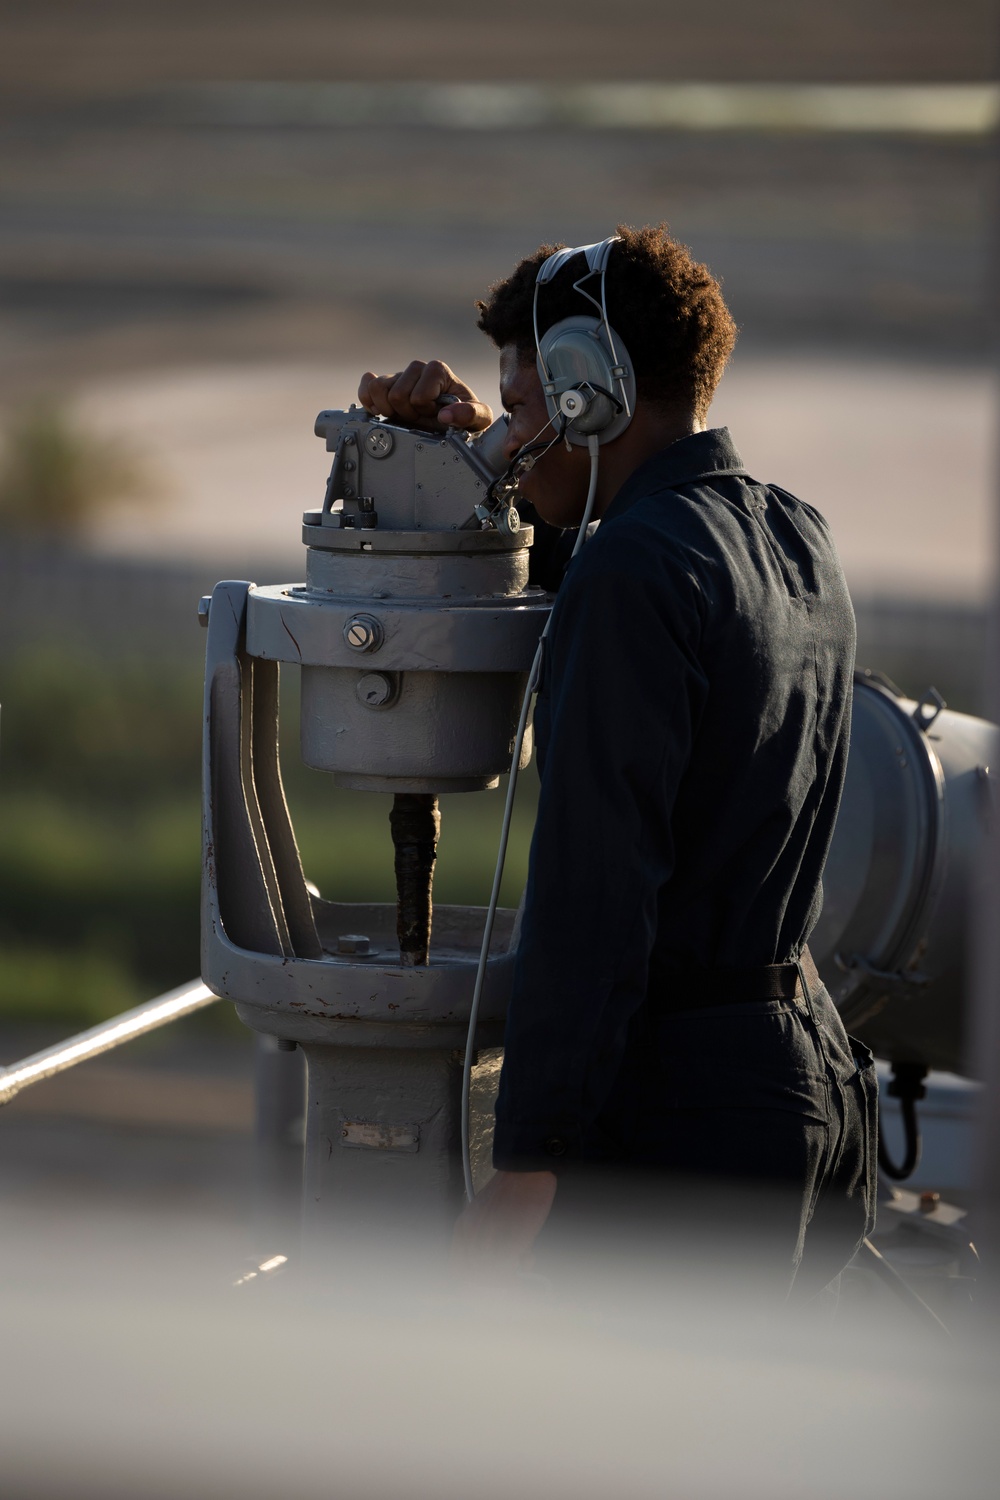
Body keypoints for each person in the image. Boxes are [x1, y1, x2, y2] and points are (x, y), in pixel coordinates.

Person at [358, 223, 876, 1301]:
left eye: (522, 409)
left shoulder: (636, 572)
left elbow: (597, 883)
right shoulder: (788, 530)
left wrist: (530, 1161)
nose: (509, 438)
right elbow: (608, 575)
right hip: (805, 1071)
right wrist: (478, 465)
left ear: (593, 395)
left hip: (688, 1122)